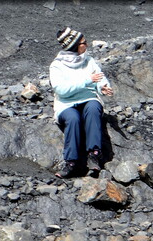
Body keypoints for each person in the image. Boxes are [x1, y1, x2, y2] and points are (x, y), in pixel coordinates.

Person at [49, 27, 114, 178]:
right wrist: (87, 81)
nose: (87, 44)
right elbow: (61, 90)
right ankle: (71, 163)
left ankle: (94, 155)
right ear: (75, 46)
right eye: (84, 42)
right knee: (73, 119)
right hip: (66, 103)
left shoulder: (88, 60)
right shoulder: (57, 65)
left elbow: (99, 77)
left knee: (93, 108)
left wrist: (102, 87)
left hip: (88, 98)